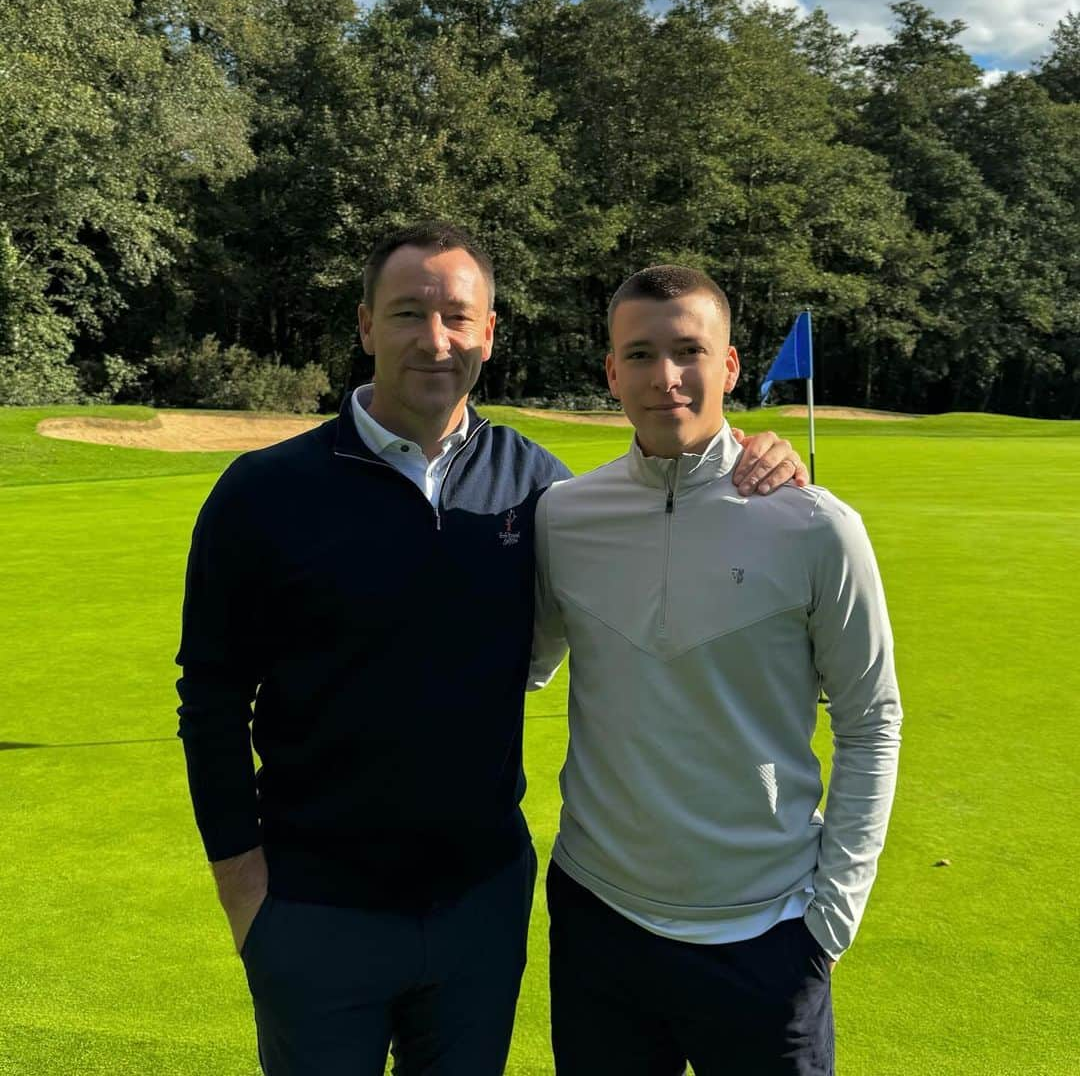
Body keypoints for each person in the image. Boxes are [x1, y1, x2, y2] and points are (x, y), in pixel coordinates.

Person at [176, 223, 806, 1076]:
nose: (434, 340)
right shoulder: (264, 492)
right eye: (407, 313)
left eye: (456, 317)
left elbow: (665, 512)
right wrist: (245, 894)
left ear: (489, 333)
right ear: (365, 326)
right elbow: (210, 697)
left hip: (480, 908)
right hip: (315, 907)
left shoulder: (540, 487)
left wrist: (757, 459)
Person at [532, 266, 902, 1076]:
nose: (665, 377)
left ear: (730, 366)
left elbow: (872, 720)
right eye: (639, 355)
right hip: (599, 918)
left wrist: (830, 919)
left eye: (688, 350)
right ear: (611, 373)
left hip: (765, 935)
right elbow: (520, 667)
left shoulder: (816, 526)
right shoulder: (564, 515)